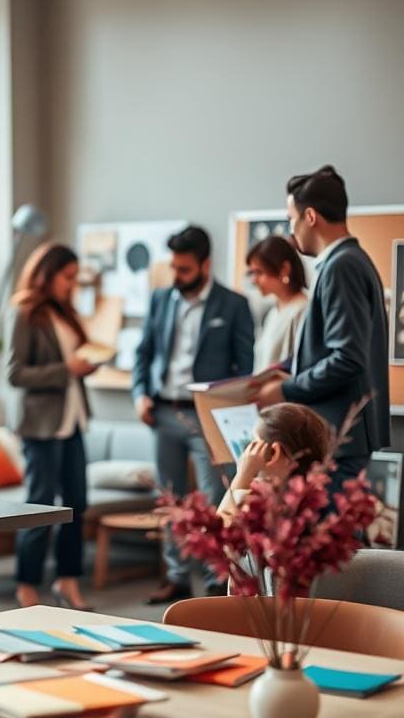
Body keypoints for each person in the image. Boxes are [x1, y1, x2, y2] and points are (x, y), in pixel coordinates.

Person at [132, 225, 254, 604]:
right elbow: (143, 353)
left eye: (184, 269)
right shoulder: (160, 300)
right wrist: (140, 395)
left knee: (216, 499)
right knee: (170, 499)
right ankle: (176, 576)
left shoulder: (233, 305)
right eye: (174, 268)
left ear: (205, 264)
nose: (177, 276)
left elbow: (245, 369)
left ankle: (217, 578)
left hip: (207, 417)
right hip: (163, 413)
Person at [253, 165, 390, 496]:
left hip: (338, 437)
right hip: (338, 435)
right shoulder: (345, 262)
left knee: (329, 544)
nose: (291, 228)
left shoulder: (342, 266)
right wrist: (277, 373)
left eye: (291, 218)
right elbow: (330, 349)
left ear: (310, 216)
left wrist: (287, 389)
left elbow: (347, 357)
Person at [6, 242, 97, 611]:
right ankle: (27, 585)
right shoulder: (26, 313)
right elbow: (15, 374)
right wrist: (66, 371)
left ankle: (67, 580)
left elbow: (75, 360)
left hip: (72, 420)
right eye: (68, 277)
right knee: (40, 506)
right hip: (40, 426)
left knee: (77, 505)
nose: (72, 284)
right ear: (47, 274)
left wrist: (89, 363)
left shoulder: (67, 313)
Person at [217, 402, 331, 524]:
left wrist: (242, 475)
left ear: (274, 453)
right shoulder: (317, 500)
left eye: (255, 443)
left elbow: (220, 530)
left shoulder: (260, 507)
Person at [246, 236, 308, 372]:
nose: (254, 280)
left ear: (284, 269)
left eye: (259, 272)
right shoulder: (273, 312)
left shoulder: (303, 310)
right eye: (251, 273)